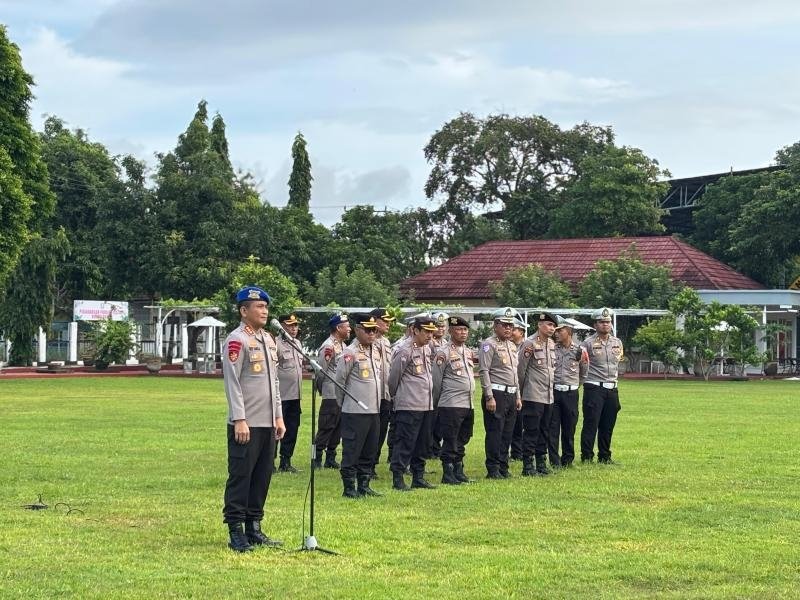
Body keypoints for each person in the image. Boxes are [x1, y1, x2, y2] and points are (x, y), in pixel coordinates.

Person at [222, 286, 286, 552]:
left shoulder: (268, 339)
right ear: (243, 310)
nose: (264, 311)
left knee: (262, 477)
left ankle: (254, 527)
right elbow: (232, 382)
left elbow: (274, 383)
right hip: (246, 423)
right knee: (241, 476)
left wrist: (278, 416)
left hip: (267, 422)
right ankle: (236, 530)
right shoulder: (237, 340)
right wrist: (239, 418)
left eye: (266, 307)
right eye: (259, 307)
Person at [335, 314, 383, 498]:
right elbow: (339, 382)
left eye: (374, 330)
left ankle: (364, 484)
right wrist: (344, 404)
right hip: (355, 411)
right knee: (352, 450)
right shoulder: (350, 353)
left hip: (373, 409)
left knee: (369, 450)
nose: (372, 334)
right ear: (357, 330)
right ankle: (349, 487)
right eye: (368, 330)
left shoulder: (375, 350)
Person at [389, 316, 438, 491]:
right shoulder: (404, 350)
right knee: (405, 442)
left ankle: (418, 476)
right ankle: (398, 477)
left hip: (426, 404)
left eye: (432, 332)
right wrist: (396, 398)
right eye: (426, 332)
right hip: (409, 404)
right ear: (415, 330)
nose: (430, 335)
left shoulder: (426, 348)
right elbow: (393, 378)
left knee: (422, 443)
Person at [478, 307, 522, 479]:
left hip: (511, 393)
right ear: (495, 325)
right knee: (495, 432)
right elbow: (484, 371)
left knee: (507, 433)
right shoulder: (489, 344)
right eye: (504, 325)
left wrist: (517, 396)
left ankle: (503, 466)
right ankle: (493, 468)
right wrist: (489, 396)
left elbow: (514, 373)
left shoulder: (511, 345)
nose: (508, 328)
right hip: (496, 393)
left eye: (510, 325)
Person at [432, 316, 476, 485]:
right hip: (451, 403)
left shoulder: (467, 351)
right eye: (458, 329)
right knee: (450, 439)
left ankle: (459, 470)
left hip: (467, 403)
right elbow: (436, 381)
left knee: (462, 438)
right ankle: (448, 473)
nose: (463, 333)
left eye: (465, 330)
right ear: (450, 331)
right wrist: (437, 402)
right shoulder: (443, 353)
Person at [580, 307, 624, 464]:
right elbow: (582, 364)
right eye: (601, 322)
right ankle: (587, 456)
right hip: (594, 387)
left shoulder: (617, 342)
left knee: (608, 424)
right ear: (595, 325)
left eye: (608, 322)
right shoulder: (588, 343)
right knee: (591, 423)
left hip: (612, 388)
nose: (605, 324)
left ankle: (605, 456)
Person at [517, 311, 558, 476]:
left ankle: (541, 463)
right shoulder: (529, 343)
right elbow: (521, 370)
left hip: (548, 395)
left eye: (554, 326)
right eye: (549, 325)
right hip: (533, 394)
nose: (552, 328)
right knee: (531, 430)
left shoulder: (551, 344)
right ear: (540, 325)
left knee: (544, 430)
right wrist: (520, 393)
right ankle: (528, 465)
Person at [548, 317, 588, 468]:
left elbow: (584, 373)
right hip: (554, 392)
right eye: (556, 331)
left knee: (569, 427)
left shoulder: (579, 351)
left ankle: (568, 459)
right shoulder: (552, 348)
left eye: (560, 330)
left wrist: (574, 385)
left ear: (569, 332)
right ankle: (554, 461)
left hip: (571, 394)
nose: (556, 333)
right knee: (553, 428)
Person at [313, 313, 351, 469]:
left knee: (338, 427)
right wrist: (323, 390)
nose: (349, 329)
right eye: (347, 326)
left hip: (341, 393)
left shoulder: (343, 346)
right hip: (331, 392)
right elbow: (321, 372)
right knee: (326, 426)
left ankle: (330, 457)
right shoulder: (328, 346)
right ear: (338, 328)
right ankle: (316, 457)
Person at [274, 313, 303, 473]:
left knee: (292, 429)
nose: (294, 328)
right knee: (276, 429)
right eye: (290, 325)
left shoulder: (297, 343)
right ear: (281, 326)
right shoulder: (276, 344)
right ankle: (269, 462)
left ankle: (286, 461)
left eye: (295, 325)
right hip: (281, 396)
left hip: (295, 395)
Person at [369, 307, 396, 479]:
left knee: (381, 431)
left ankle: (373, 464)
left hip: (385, 394)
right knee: (370, 432)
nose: (388, 324)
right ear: (375, 321)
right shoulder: (368, 341)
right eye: (385, 321)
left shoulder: (385, 342)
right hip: (372, 395)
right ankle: (365, 465)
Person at [508, 317, 527, 462]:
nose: (510, 332)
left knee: (522, 422)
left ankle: (518, 450)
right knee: (512, 422)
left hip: (525, 389)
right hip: (511, 389)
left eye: (513, 329)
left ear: (521, 332)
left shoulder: (527, 347)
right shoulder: (507, 346)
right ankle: (513, 451)